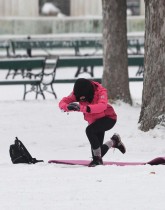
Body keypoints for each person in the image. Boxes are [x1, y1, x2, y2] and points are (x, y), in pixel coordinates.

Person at [59, 78, 126, 167]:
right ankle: (114, 141)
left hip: (109, 118)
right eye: (80, 98)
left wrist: (82, 108)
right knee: (97, 153)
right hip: (94, 122)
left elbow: (102, 106)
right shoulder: (77, 93)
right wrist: (67, 107)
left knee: (89, 131)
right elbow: (62, 102)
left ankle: (98, 159)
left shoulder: (101, 91)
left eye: (84, 98)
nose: (82, 99)